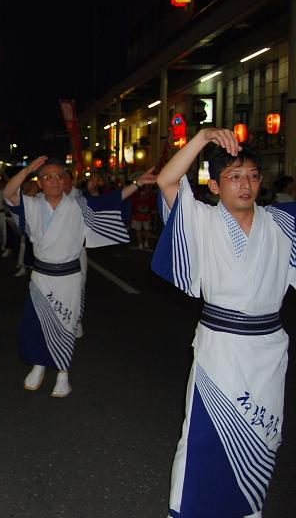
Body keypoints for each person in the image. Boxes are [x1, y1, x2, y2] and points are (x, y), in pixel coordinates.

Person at [152, 129, 295, 518]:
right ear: (214, 185)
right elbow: (167, 180)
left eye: (252, 175)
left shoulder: (283, 223)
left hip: (267, 349)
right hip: (221, 346)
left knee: (263, 434)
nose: (245, 184)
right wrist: (201, 138)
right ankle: (183, 510)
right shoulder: (201, 219)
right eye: (234, 176)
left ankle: (249, 506)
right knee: (201, 434)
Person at [4, 157, 155, 397]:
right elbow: (9, 192)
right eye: (47, 176)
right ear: (40, 183)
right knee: (36, 323)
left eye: (58, 176)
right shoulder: (31, 205)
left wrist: (137, 183)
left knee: (66, 324)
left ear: (65, 181)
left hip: (69, 277)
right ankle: (39, 365)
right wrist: (28, 170)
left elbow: (111, 200)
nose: (54, 180)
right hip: (42, 275)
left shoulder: (79, 206)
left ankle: (63, 373)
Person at [131, 183, 156, 249]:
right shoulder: (148, 194)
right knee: (145, 230)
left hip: (140, 215)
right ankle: (144, 243)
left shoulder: (135, 195)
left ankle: (142, 244)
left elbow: (132, 204)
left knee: (140, 230)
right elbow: (152, 203)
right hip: (143, 215)